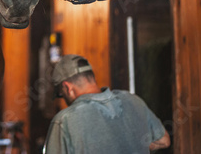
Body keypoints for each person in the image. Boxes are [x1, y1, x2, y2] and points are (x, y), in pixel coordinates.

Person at [42, 54, 170, 153]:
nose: (63, 100)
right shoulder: (133, 100)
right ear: (91, 77)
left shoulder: (64, 121)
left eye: (61, 95)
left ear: (67, 87)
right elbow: (164, 140)